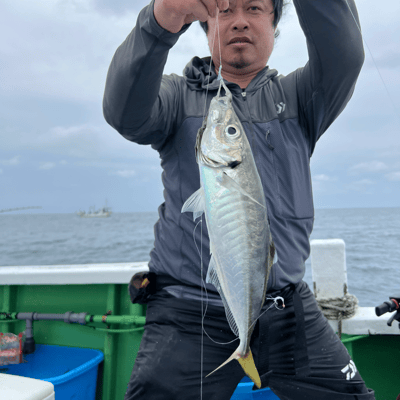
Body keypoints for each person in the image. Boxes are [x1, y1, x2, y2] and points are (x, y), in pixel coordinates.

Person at [103, 0, 376, 398]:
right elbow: (124, 113)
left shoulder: (301, 97)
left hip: (287, 306)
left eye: (255, 8)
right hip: (189, 309)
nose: (240, 22)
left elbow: (344, 56)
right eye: (225, 10)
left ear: (274, 22)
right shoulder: (176, 97)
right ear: (205, 24)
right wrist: (161, 18)